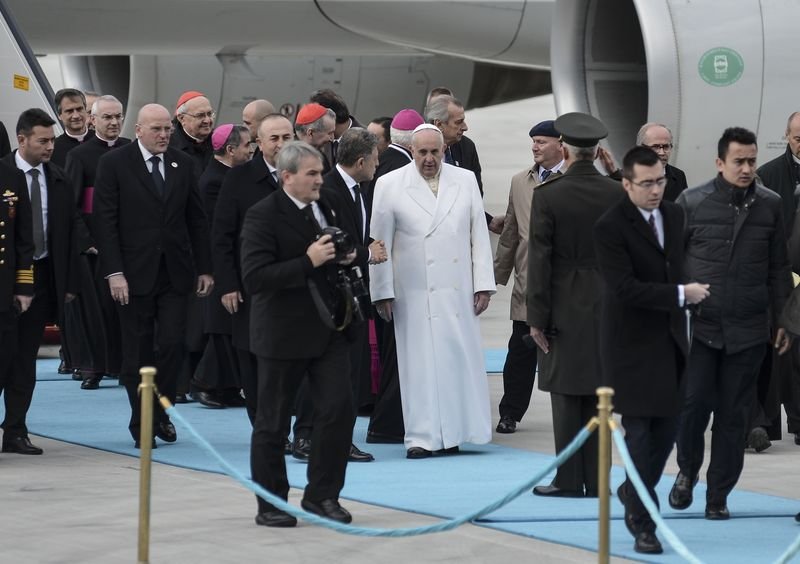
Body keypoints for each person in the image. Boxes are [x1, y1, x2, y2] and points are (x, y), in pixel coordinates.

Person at [670, 127, 793, 520]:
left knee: (733, 417)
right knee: (692, 408)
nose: (746, 168)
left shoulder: (770, 205)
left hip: (749, 328)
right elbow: (672, 262)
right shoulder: (692, 201)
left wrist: (784, 321)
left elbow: (779, 268)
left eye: (752, 161)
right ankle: (686, 473)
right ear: (720, 162)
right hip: (701, 327)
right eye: (738, 161)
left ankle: (718, 495)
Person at [594, 146, 710, 554]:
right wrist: (681, 294)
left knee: (666, 435)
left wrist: (693, 295)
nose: (655, 190)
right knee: (641, 438)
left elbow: (678, 266)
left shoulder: (674, 215)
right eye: (646, 183)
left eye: (660, 180)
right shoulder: (610, 227)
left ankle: (632, 489)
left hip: (672, 344)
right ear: (626, 184)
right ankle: (643, 524)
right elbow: (624, 289)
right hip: (630, 350)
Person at [241, 140, 357, 527]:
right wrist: (306, 262)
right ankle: (271, 502)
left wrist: (346, 254)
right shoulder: (263, 215)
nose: (320, 180)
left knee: (338, 412)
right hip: (282, 334)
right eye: (311, 174)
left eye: (321, 172)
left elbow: (342, 246)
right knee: (273, 422)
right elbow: (256, 278)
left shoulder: (328, 204)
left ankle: (323, 495)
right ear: (287, 176)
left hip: (328, 329)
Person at [369, 124, 495, 459]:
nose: (428, 159)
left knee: (457, 362)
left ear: (444, 151)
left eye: (434, 152)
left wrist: (483, 283)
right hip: (413, 293)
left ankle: (454, 433)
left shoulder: (465, 180)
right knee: (419, 367)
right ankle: (422, 437)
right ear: (412, 151)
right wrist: (381, 290)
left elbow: (478, 236)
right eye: (422, 152)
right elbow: (379, 242)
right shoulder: (389, 184)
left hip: (457, 290)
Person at [93, 103, 213, 448]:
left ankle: (163, 410)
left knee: (174, 345)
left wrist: (205, 267)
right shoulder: (114, 164)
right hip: (132, 275)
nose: (164, 136)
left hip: (175, 273)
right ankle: (141, 421)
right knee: (138, 350)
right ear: (140, 130)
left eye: (168, 130)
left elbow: (196, 219)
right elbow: (105, 221)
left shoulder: (183, 164)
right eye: (157, 130)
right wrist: (114, 272)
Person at [527, 112, 624, 497]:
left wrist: (536, 317)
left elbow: (540, 261)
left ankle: (568, 480)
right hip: (608, 303)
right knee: (601, 395)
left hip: (563, 303)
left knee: (567, 397)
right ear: (599, 151)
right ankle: (599, 479)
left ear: (564, 149)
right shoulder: (618, 193)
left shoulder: (548, 195)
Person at [2, 109, 80, 455]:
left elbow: (69, 233)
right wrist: (19, 284)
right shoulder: (4, 173)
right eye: (43, 140)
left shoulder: (59, 178)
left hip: (43, 278)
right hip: (7, 283)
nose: (51, 146)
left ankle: (16, 429)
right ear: (22, 140)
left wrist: (69, 283)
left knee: (24, 359)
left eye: (52, 140)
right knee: (3, 356)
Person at [212, 113, 293, 426]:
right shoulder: (240, 178)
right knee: (253, 356)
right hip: (251, 286)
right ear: (259, 143)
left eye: (287, 137)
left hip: (292, 283)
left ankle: (285, 423)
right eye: (274, 138)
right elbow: (221, 236)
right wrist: (227, 284)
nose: (281, 144)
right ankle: (264, 424)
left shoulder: (303, 174)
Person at [321, 127, 387, 462]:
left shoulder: (356, 190)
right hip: (338, 298)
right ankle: (335, 442)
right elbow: (337, 246)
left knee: (351, 374)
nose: (378, 165)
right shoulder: (332, 191)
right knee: (342, 375)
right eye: (375, 159)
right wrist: (367, 253)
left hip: (354, 295)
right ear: (360, 161)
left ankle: (341, 440)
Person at [494, 119, 564, 435]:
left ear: (561, 144)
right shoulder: (520, 181)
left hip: (564, 285)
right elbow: (510, 232)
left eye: (542, 141)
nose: (535, 147)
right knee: (519, 354)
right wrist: (495, 276)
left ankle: (575, 415)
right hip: (527, 283)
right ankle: (509, 412)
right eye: (533, 141)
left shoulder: (572, 180)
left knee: (566, 354)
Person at [365, 109, 425, 444]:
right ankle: (387, 425)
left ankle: (388, 424)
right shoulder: (397, 173)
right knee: (398, 357)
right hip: (400, 278)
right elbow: (381, 236)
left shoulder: (389, 165)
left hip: (396, 279)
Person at [64, 94, 131, 389]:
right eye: (107, 117)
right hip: (93, 246)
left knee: (126, 309)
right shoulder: (79, 156)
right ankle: (94, 367)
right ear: (93, 121)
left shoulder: (131, 149)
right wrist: (87, 240)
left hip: (127, 241)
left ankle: (123, 365)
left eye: (118, 116)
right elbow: (71, 204)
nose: (114, 122)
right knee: (96, 310)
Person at [192, 124, 251, 408]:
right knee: (220, 328)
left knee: (228, 328)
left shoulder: (229, 175)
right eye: (246, 146)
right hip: (220, 263)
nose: (250, 150)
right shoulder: (215, 181)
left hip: (231, 261)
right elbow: (218, 228)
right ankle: (204, 383)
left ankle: (226, 387)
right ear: (230, 150)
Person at [752, 110, 800, 448]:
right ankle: (773, 422)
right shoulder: (769, 174)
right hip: (783, 275)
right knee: (782, 353)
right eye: (798, 137)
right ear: (786, 135)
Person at [425, 91, 502, 233]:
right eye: (459, 122)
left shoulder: (467, 147)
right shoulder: (416, 153)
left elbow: (474, 197)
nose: (465, 127)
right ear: (439, 124)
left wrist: (487, 221)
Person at [0, 158, 35, 455]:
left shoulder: (12, 176)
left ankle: (12, 431)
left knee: (7, 359)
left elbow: (24, 237)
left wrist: (24, 286)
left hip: (4, 289)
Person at [600, 123, 688, 202]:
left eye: (666, 147)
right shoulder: (619, 179)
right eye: (655, 147)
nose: (662, 153)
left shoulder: (679, 176)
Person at [170, 90, 215, 178]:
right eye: (200, 115)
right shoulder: (168, 145)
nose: (207, 120)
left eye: (209, 114)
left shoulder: (220, 142)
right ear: (182, 118)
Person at [51, 88, 95, 167]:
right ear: (59, 115)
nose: (76, 116)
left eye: (79, 109)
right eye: (69, 111)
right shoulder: (52, 150)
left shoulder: (102, 140)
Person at [294, 103, 336, 174]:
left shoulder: (321, 156)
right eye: (329, 133)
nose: (332, 138)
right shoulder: (290, 158)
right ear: (310, 133)